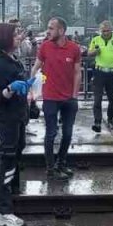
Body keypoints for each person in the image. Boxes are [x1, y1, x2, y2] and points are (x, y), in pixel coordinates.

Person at [0, 22, 33, 226]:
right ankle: (2, 210)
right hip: (8, 119)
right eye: (15, 35)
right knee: (7, 160)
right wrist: (11, 88)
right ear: (5, 38)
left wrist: (28, 88)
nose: (19, 37)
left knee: (16, 156)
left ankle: (12, 194)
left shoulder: (14, 60)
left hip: (19, 115)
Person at [32, 17, 83, 180]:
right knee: (51, 133)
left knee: (67, 134)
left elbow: (77, 73)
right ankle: (50, 167)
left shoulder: (74, 48)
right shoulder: (45, 46)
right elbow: (35, 67)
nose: (48, 31)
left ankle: (61, 162)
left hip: (69, 98)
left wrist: (74, 95)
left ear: (61, 31)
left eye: (51, 28)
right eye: (48, 28)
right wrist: (30, 89)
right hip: (50, 98)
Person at [87, 20, 113, 133]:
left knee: (112, 99)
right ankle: (97, 122)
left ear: (111, 30)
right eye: (103, 31)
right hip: (99, 72)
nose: (105, 33)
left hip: (112, 73)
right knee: (97, 99)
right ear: (100, 31)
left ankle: (110, 120)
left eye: (107, 31)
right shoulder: (96, 39)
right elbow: (89, 53)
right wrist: (96, 51)